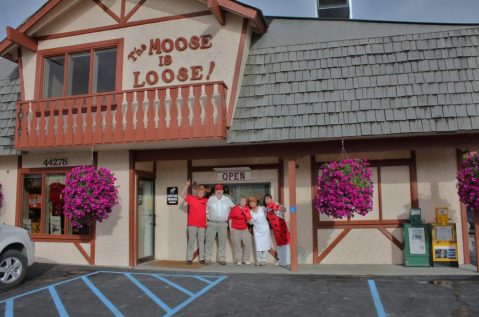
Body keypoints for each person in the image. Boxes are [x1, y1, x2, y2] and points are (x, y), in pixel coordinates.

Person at [205, 184, 235, 265]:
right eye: (217, 190)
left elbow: (234, 209)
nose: (219, 191)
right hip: (211, 223)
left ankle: (221, 259)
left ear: (222, 191)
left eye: (220, 190)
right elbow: (206, 211)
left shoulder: (228, 199)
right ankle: (207, 258)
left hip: (223, 224)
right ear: (215, 191)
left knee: (222, 243)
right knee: (209, 242)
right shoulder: (210, 199)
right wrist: (206, 222)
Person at [181, 180, 208, 265]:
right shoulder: (192, 198)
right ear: (197, 192)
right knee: (191, 242)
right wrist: (187, 185)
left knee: (201, 242)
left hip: (202, 225)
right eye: (199, 192)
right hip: (192, 224)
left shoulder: (206, 200)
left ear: (204, 193)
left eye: (202, 192)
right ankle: (189, 259)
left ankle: (202, 258)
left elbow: (209, 212)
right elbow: (182, 194)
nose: (201, 193)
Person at [264, 194, 291, 267]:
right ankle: (281, 260)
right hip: (275, 230)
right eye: (265, 199)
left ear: (271, 199)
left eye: (268, 198)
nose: (267, 200)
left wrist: (280, 207)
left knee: (285, 244)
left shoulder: (275, 204)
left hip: (282, 228)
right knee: (279, 244)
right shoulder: (266, 208)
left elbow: (284, 210)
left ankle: (287, 261)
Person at [229, 197, 253, 265]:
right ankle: (238, 260)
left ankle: (245, 259)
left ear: (246, 202)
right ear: (239, 201)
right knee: (237, 245)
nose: (243, 202)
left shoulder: (247, 208)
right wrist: (230, 228)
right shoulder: (234, 208)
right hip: (236, 229)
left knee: (247, 244)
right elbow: (230, 218)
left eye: (244, 201)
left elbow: (250, 218)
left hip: (245, 229)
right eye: (242, 200)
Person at [248, 196, 270, 266]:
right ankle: (258, 260)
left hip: (265, 228)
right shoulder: (249, 212)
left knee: (266, 244)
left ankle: (264, 260)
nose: (252, 204)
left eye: (253, 202)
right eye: (250, 202)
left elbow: (269, 211)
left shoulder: (262, 208)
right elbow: (250, 221)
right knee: (258, 245)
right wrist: (249, 221)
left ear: (256, 202)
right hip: (256, 230)